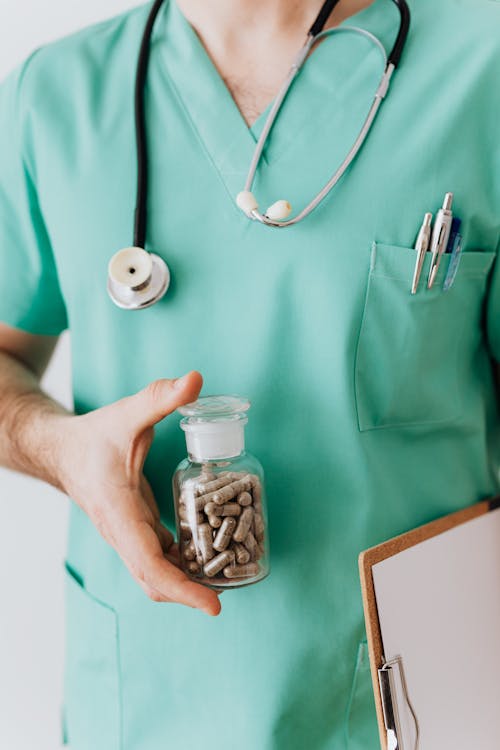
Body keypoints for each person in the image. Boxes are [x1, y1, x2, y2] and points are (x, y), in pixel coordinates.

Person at [0, 0, 499, 747]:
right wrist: (57, 449)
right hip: (142, 705)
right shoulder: (56, 96)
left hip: (415, 709)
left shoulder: (481, 68)